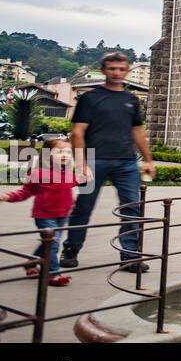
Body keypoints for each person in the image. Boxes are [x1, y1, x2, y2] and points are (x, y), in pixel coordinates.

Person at [61, 53, 156, 273]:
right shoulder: (89, 98)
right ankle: (71, 249)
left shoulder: (131, 99)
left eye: (121, 69)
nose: (116, 73)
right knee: (84, 206)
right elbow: (77, 132)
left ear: (127, 72)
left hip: (126, 163)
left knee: (132, 208)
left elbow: (138, 132)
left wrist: (148, 161)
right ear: (103, 70)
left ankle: (130, 256)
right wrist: (81, 164)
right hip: (94, 160)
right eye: (112, 68)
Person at [0, 137, 78, 286]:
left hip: (63, 215)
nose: (65, 155)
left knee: (48, 244)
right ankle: (53, 274)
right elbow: (25, 192)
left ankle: (31, 263)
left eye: (68, 152)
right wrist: (8, 196)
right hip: (45, 216)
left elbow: (74, 182)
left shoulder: (67, 173)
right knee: (53, 244)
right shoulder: (38, 174)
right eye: (59, 152)